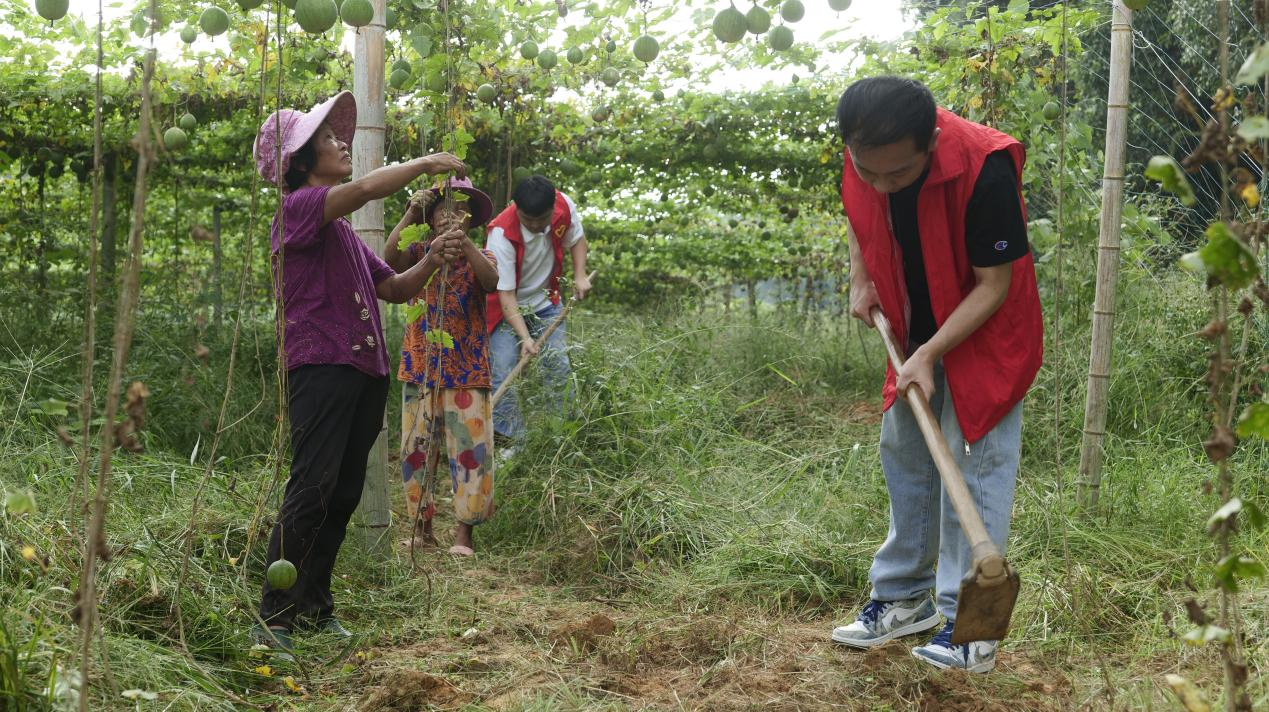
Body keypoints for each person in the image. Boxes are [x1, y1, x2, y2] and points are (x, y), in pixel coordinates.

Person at [829, 76, 1042, 673]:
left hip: (984, 329)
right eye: (867, 169)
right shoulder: (868, 158)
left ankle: (968, 627)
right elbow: (860, 208)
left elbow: (995, 285)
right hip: (910, 319)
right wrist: (861, 277)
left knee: (972, 463)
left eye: (896, 175)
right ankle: (903, 599)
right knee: (906, 451)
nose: (880, 183)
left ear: (931, 143)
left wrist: (932, 353)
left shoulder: (984, 166)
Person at [251, 90, 465, 658]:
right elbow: (370, 187)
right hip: (321, 365)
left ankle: (315, 608)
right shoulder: (298, 208)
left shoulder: (342, 233)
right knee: (313, 485)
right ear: (299, 162)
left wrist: (433, 257)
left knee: (343, 491)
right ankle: (273, 615)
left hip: (363, 367)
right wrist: (424, 166)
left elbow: (393, 289)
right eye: (328, 138)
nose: (342, 141)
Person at [384, 178, 499, 557]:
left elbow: (492, 281)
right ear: (430, 218)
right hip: (420, 368)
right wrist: (410, 212)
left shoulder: (481, 255)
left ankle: (464, 535)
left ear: (470, 221)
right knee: (416, 451)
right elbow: (389, 260)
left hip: (467, 371)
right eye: (441, 209)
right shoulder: (420, 251)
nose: (449, 215)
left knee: (469, 450)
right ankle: (423, 529)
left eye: (459, 210)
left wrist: (464, 243)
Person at [485, 175, 591, 446]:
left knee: (559, 366)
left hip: (546, 304)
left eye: (540, 219)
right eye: (526, 218)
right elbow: (505, 294)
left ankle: (564, 436)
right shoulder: (500, 235)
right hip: (505, 310)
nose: (533, 225)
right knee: (503, 369)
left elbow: (577, 240)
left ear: (552, 209)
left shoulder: (564, 206)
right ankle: (513, 441)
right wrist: (525, 337)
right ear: (515, 207)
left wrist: (580, 275)